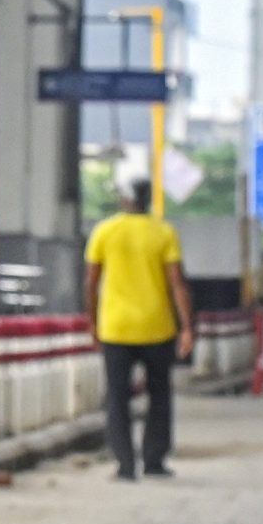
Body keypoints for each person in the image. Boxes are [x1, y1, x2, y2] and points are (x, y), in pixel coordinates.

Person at [82, 178, 194, 480]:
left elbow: (91, 283)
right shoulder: (164, 232)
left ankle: (125, 464)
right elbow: (177, 284)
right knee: (159, 394)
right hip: (157, 327)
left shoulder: (104, 231)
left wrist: (92, 323)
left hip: (116, 328)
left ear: (124, 200)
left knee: (117, 396)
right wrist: (186, 328)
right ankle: (154, 460)